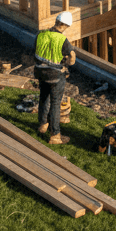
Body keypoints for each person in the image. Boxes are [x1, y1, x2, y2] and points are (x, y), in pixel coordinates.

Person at [35, 11, 76, 145]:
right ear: (65, 26)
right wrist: (67, 64)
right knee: (55, 104)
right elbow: (72, 57)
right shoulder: (62, 40)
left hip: (40, 73)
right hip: (55, 76)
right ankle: (55, 135)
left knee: (43, 98)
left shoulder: (41, 35)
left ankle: (42, 125)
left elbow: (36, 52)